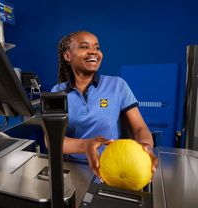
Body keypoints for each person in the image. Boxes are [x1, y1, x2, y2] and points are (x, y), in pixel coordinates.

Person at [51, 31, 158, 179]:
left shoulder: (117, 85)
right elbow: (51, 140)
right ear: (67, 56)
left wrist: (146, 146)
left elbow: (140, 128)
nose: (93, 52)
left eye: (97, 47)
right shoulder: (57, 92)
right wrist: (85, 146)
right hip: (71, 168)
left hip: (112, 168)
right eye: (84, 47)